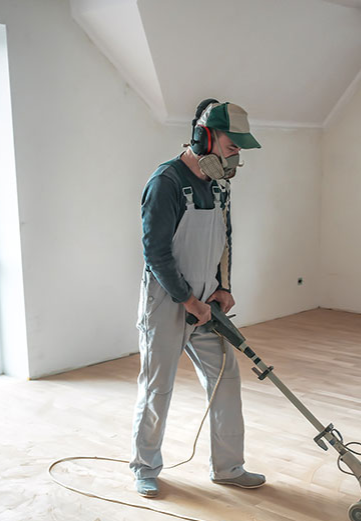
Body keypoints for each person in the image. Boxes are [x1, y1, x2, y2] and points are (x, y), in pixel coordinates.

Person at [130, 98, 265, 498]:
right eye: (232, 143)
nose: (237, 152)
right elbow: (155, 253)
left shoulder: (218, 185)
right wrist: (189, 302)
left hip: (208, 300)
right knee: (158, 387)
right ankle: (145, 466)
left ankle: (228, 467)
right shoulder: (166, 183)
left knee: (226, 381)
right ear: (205, 136)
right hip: (167, 303)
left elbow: (224, 239)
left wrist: (222, 286)